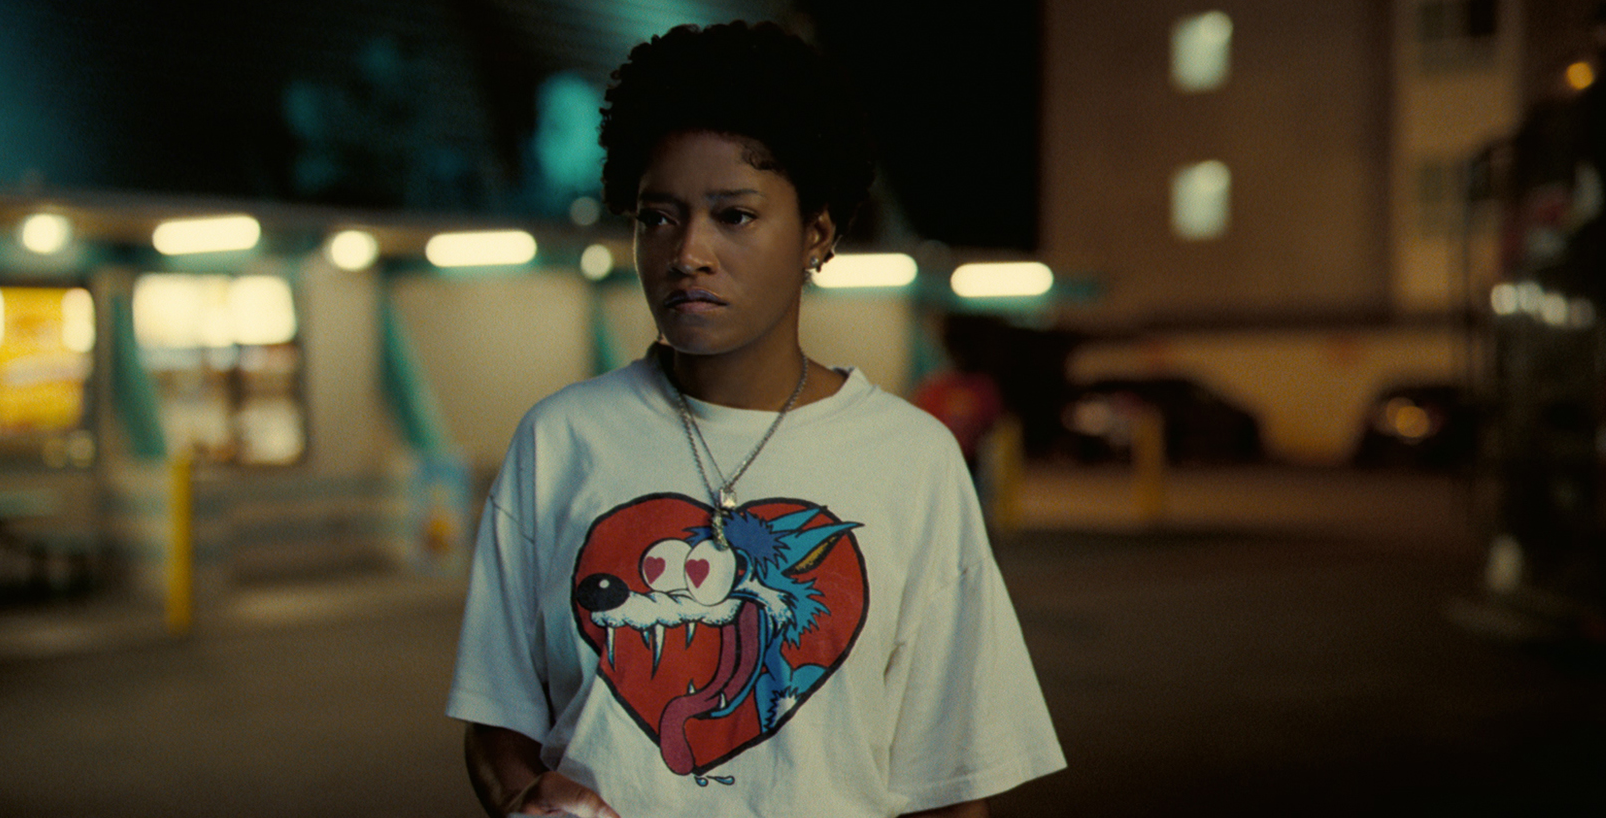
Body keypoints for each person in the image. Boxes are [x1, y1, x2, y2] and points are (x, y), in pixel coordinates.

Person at [446, 21, 1064, 818]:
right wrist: (526, 796)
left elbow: (953, 778)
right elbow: (497, 719)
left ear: (817, 234)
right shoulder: (561, 440)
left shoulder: (913, 459)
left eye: (734, 216)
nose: (687, 253)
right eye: (657, 217)